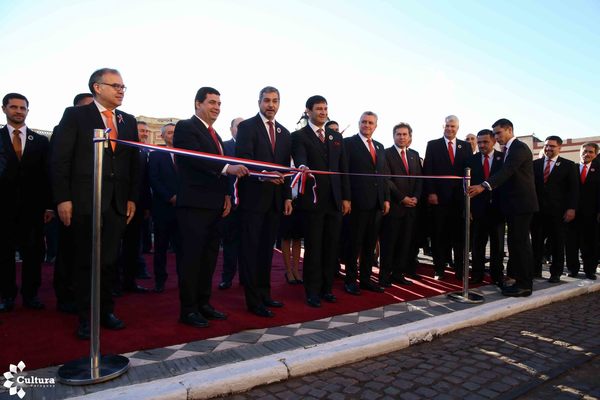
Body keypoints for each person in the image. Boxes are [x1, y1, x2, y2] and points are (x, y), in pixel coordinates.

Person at [52, 68, 140, 338]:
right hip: (84, 201)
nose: (121, 90)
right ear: (97, 88)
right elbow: (60, 159)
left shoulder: (127, 121)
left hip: (116, 203)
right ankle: (86, 318)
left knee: (110, 260)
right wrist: (62, 198)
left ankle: (106, 311)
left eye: (123, 86)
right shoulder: (76, 115)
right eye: (115, 85)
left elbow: (134, 163)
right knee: (84, 260)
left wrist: (132, 198)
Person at [174, 87, 248, 328]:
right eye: (211, 102)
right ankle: (188, 309)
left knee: (208, 259)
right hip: (194, 206)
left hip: (215, 206)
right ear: (198, 104)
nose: (216, 107)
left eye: (219, 103)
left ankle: (204, 303)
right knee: (191, 258)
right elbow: (195, 158)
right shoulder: (187, 127)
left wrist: (227, 194)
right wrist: (228, 169)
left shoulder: (214, 134)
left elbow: (219, 165)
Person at [236, 87, 292, 317]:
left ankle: (265, 294)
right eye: (267, 100)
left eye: (275, 101)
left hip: (275, 201)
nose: (271, 105)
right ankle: (253, 300)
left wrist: (288, 195)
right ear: (259, 102)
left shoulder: (285, 132)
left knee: (267, 251)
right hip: (253, 199)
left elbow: (286, 168)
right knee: (251, 250)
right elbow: (244, 160)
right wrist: (267, 174)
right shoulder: (247, 127)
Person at [468, 118, 538, 297]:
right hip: (513, 206)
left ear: (509, 130)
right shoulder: (509, 149)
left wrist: (483, 186)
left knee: (521, 245)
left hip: (521, 205)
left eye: (499, 133)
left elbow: (506, 172)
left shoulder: (519, 148)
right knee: (515, 245)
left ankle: (524, 285)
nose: (497, 137)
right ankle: (519, 281)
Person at [291, 95, 350, 308]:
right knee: (314, 248)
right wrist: (303, 166)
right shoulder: (299, 136)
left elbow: (343, 169)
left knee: (331, 247)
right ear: (308, 111)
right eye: (318, 108)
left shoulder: (336, 137)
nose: (323, 112)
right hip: (313, 201)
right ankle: (312, 291)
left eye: (325, 108)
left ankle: (327, 288)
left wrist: (346, 197)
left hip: (335, 201)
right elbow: (300, 158)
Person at [0, 93, 53, 312]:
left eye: (23, 108)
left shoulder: (39, 141)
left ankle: (31, 295)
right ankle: (6, 295)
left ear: (27, 111)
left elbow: (47, 174)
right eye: (13, 107)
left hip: (33, 209)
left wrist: (49, 205)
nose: (18, 111)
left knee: (33, 253)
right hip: (3, 207)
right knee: (3, 254)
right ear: (4, 109)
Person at [52, 93, 94, 314]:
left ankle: (86, 295)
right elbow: (58, 166)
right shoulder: (63, 129)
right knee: (68, 251)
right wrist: (61, 199)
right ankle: (64, 294)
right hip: (72, 202)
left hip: (96, 203)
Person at [343, 112, 390, 294]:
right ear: (358, 123)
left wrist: (385, 198)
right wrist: (346, 198)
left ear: (376, 126)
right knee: (354, 244)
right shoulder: (348, 143)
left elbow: (384, 174)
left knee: (370, 245)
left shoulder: (379, 146)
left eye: (370, 123)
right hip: (357, 203)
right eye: (364, 122)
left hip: (377, 204)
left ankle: (365, 279)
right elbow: (345, 172)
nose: (367, 125)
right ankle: (350, 280)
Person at [423, 115, 471, 279]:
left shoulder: (465, 146)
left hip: (459, 200)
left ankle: (459, 271)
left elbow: (468, 172)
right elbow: (427, 171)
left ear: (458, 128)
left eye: (453, 126)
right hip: (439, 199)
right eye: (447, 126)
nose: (450, 129)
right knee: (439, 236)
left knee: (459, 237)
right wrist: (431, 192)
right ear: (442, 126)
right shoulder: (433, 145)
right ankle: (439, 269)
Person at [379, 122, 422, 287]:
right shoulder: (386, 153)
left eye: (405, 134)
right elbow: (387, 179)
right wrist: (402, 198)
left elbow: (419, 179)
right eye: (398, 134)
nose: (402, 137)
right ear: (393, 136)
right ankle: (384, 276)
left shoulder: (414, 154)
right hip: (395, 207)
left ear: (410, 136)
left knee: (405, 244)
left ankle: (398, 274)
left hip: (411, 208)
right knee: (389, 244)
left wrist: (416, 197)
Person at [531, 136, 578, 283]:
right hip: (537, 212)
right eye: (546, 146)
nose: (548, 148)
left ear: (559, 148)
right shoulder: (535, 164)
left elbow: (574, 190)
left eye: (552, 146)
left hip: (558, 213)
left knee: (557, 244)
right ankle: (535, 271)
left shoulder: (569, 165)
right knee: (536, 243)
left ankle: (555, 273)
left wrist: (571, 208)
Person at [465, 129, 505, 285]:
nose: (481, 145)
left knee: (498, 245)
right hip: (478, 210)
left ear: (494, 141)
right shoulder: (470, 160)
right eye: (479, 142)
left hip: (498, 209)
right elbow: (465, 187)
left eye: (485, 142)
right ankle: (477, 274)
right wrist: (467, 209)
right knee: (477, 244)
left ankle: (497, 275)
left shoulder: (503, 159)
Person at [117, 120, 152, 293]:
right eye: (141, 130)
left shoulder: (144, 152)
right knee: (115, 246)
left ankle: (129, 281)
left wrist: (145, 206)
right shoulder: (123, 149)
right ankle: (114, 283)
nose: (145, 133)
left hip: (138, 206)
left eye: (146, 131)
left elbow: (144, 182)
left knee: (133, 246)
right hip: (119, 204)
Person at [148, 123, 181, 292]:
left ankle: (184, 280)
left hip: (183, 209)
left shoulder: (186, 155)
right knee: (160, 248)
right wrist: (169, 197)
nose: (172, 135)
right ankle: (160, 280)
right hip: (163, 209)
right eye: (169, 132)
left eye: (175, 132)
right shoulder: (156, 156)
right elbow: (154, 179)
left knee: (183, 248)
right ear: (162, 136)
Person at [566, 143, 600, 280]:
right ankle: (572, 269)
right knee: (571, 243)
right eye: (585, 151)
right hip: (572, 213)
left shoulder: (599, 170)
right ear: (580, 152)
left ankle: (589, 270)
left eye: (591, 152)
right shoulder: (571, 169)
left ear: (596, 154)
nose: (587, 154)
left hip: (591, 214)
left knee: (590, 243)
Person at [218, 117, 244, 290]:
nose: (241, 130)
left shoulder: (252, 147)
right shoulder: (224, 146)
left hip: (249, 204)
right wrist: (225, 195)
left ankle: (246, 277)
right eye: (238, 126)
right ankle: (227, 277)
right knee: (230, 243)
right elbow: (220, 174)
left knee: (248, 243)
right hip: (230, 203)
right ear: (231, 129)